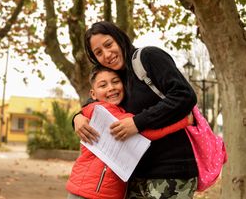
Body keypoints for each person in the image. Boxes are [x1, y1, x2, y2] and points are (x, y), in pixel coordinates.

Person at [73, 21, 198, 199]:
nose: (107, 54)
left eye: (109, 45)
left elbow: (185, 95)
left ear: (119, 38)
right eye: (98, 52)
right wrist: (77, 117)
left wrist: (137, 123)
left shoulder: (148, 57)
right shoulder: (116, 78)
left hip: (171, 172)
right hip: (135, 176)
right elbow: (94, 102)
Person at [66, 65, 192, 199]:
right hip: (91, 192)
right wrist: (184, 121)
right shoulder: (104, 111)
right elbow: (147, 132)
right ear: (93, 94)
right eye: (103, 85)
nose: (111, 88)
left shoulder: (103, 110)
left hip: (96, 190)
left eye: (115, 82)